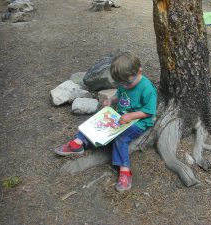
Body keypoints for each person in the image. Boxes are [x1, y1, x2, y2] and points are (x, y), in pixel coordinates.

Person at [54, 51, 157, 192]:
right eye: (121, 83)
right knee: (99, 121)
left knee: (120, 138)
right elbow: (119, 94)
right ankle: (78, 143)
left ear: (139, 71)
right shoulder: (124, 81)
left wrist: (131, 116)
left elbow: (149, 111)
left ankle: (125, 171)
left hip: (138, 121)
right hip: (120, 116)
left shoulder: (147, 88)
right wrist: (111, 100)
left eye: (127, 82)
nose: (125, 86)